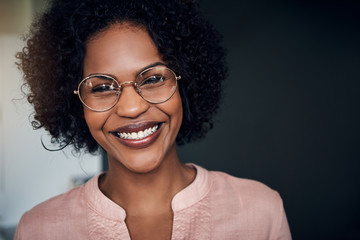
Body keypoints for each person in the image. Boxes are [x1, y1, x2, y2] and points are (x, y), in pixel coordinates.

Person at [14, 0, 292, 239]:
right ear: (74, 103)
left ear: (186, 84)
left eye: (153, 79)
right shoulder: (38, 230)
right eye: (101, 87)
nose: (132, 108)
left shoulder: (260, 212)